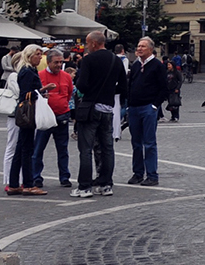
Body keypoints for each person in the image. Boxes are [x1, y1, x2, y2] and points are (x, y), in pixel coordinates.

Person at [72, 30, 125, 198]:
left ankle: (84, 186)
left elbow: (82, 85)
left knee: (86, 148)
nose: (86, 46)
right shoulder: (116, 60)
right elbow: (124, 86)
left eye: (87, 43)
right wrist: (109, 92)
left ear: (94, 43)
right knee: (107, 148)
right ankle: (106, 184)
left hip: (91, 107)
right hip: (108, 108)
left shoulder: (88, 60)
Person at [6, 44, 48, 196]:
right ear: (30, 55)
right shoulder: (29, 71)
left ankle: (14, 183)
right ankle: (28, 184)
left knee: (20, 147)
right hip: (28, 112)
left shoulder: (26, 70)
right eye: (37, 54)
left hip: (24, 110)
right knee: (27, 148)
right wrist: (42, 91)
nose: (40, 57)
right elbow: (27, 93)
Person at [125, 37, 168, 186]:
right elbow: (130, 85)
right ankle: (137, 173)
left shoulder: (157, 65)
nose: (139, 49)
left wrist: (155, 105)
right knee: (136, 143)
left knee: (149, 143)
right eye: (138, 46)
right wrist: (129, 104)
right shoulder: (136, 65)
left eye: (142, 46)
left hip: (148, 108)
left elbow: (164, 88)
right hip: (134, 108)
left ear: (150, 49)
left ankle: (152, 175)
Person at [32, 48, 73, 189]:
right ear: (48, 62)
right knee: (38, 148)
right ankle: (36, 177)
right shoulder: (40, 75)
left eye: (61, 62)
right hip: (45, 116)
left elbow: (69, 94)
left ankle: (64, 176)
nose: (59, 65)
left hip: (62, 114)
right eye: (56, 62)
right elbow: (36, 93)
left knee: (62, 148)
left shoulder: (66, 76)